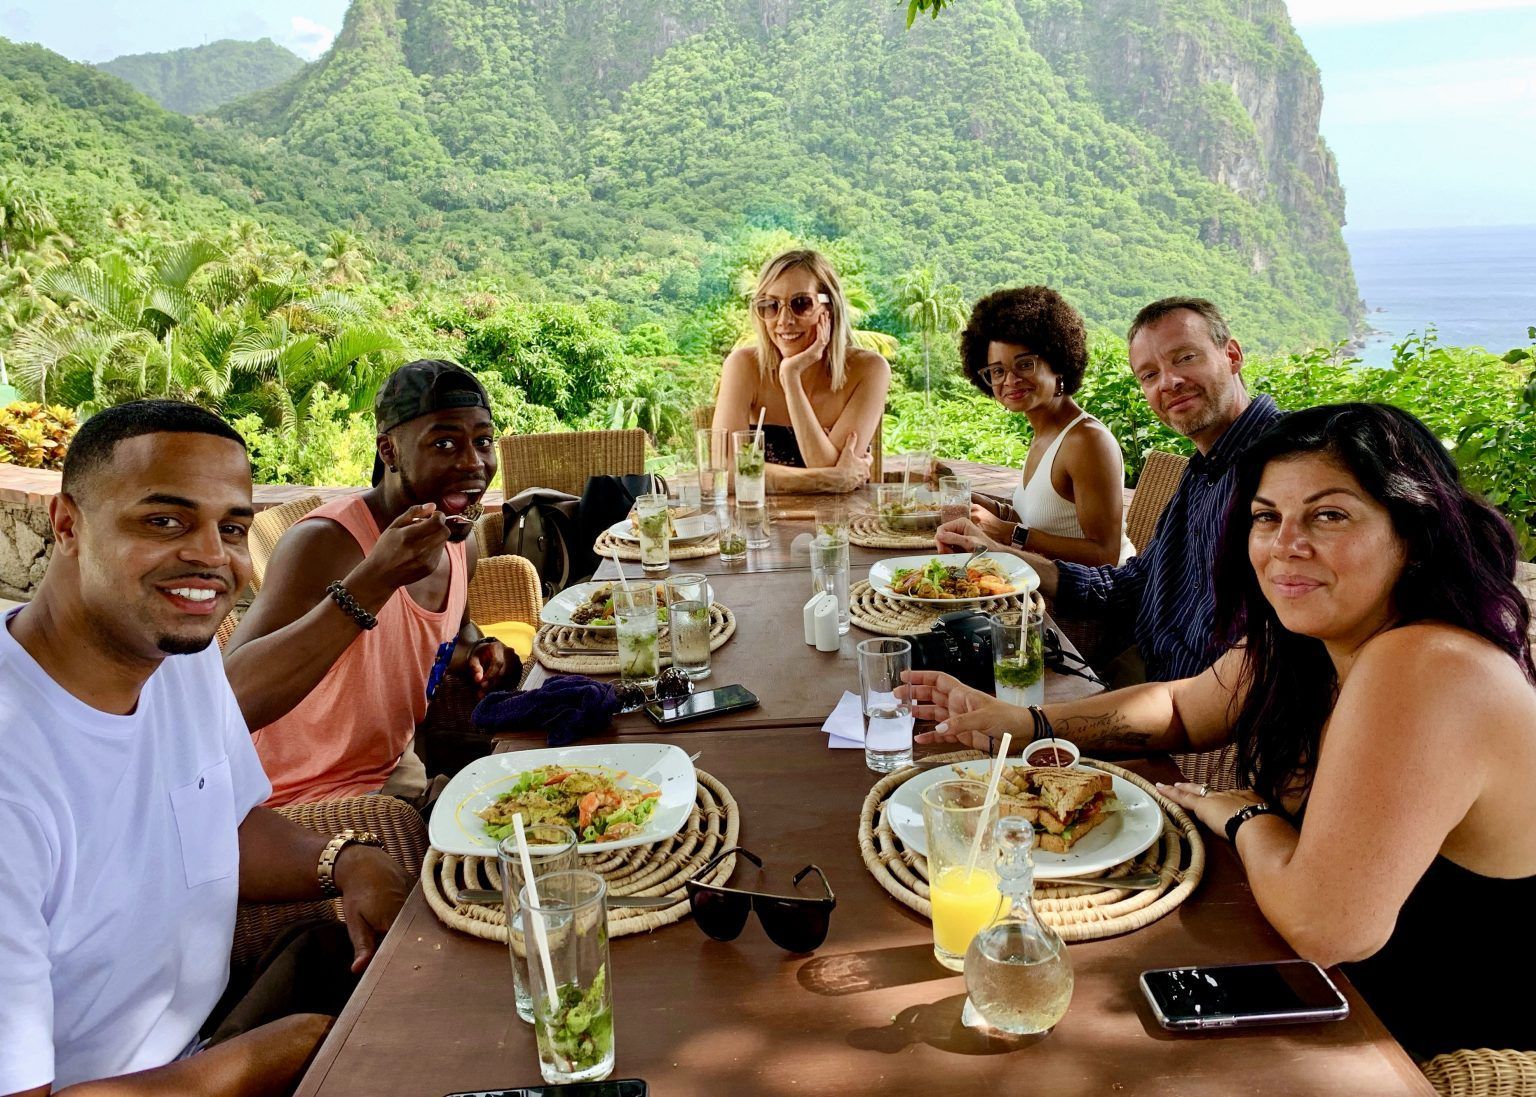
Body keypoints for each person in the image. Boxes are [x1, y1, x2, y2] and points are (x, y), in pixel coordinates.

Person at [907, 403, 1536, 1060]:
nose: (1285, 544)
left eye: (1329, 515)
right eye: (1267, 516)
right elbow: (1184, 707)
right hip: (1307, 987)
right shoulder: (1319, 635)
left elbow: (1327, 926)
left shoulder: (1427, 664)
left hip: (1418, 1050)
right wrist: (1024, 722)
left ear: (1416, 530)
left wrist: (1245, 817)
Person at [0, 400, 409, 1096]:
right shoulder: (16, 769)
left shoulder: (175, 657)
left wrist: (345, 860)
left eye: (232, 528)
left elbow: (220, 821)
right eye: (164, 520)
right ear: (67, 524)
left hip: (211, 1031)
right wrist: (267, 1058)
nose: (211, 557)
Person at [937, 296, 1282, 682]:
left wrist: (1009, 539)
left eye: (1185, 357)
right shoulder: (1203, 470)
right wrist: (1003, 554)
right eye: (1149, 375)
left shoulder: (1286, 463)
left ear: (1232, 355)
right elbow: (1134, 582)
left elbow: (1238, 669)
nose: (1169, 382)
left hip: (1169, 685)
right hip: (1145, 662)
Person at [224, 360, 515, 806]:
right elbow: (228, 701)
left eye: (483, 441)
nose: (473, 463)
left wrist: (481, 652)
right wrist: (374, 581)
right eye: (444, 443)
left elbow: (453, 638)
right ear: (389, 451)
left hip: (392, 774)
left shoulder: (459, 542)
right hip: (293, 796)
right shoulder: (326, 543)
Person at [956, 287, 1134, 566]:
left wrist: (1006, 532)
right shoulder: (1045, 433)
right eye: (998, 370)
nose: (1010, 380)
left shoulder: (1086, 440)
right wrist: (977, 502)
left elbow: (1105, 555)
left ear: (1058, 362)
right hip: (1045, 582)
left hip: (1101, 591)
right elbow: (1040, 524)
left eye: (1025, 364)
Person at [712, 248, 891, 494]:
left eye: (801, 303)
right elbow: (724, 471)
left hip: (843, 517)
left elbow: (826, 469)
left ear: (829, 308)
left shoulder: (869, 370)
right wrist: (819, 480)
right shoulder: (744, 366)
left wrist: (790, 378)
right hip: (757, 516)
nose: (784, 320)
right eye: (771, 306)